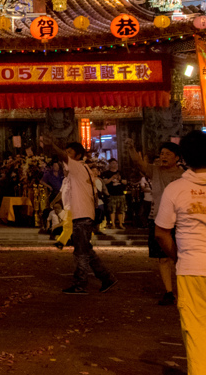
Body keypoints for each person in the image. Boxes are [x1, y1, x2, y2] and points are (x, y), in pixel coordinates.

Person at [154, 130, 206, 373]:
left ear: (183, 157)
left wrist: (179, 256)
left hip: (191, 268)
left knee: (196, 331)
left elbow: (161, 233)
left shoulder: (176, 189)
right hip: (191, 266)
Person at [54, 141, 116, 294]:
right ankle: (107, 278)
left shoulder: (77, 167)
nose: (66, 156)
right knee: (87, 250)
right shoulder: (85, 169)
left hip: (81, 215)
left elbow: (63, 157)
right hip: (84, 213)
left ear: (78, 155)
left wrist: (53, 145)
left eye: (70, 152)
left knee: (81, 253)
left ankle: (80, 284)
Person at [130, 141, 184, 305]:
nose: (163, 157)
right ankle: (169, 292)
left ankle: (184, 290)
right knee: (162, 258)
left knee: (182, 258)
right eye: (161, 154)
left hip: (181, 221)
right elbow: (139, 163)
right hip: (158, 219)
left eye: (168, 154)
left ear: (177, 157)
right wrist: (131, 148)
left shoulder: (184, 175)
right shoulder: (155, 171)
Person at [101, 159, 126, 229]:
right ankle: (113, 224)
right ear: (110, 164)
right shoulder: (106, 173)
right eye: (113, 163)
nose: (115, 165)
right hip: (111, 194)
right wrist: (112, 178)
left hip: (121, 193)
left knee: (121, 210)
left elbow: (125, 182)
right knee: (112, 210)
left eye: (116, 163)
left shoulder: (121, 173)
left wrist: (120, 179)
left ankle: (121, 223)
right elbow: (105, 182)